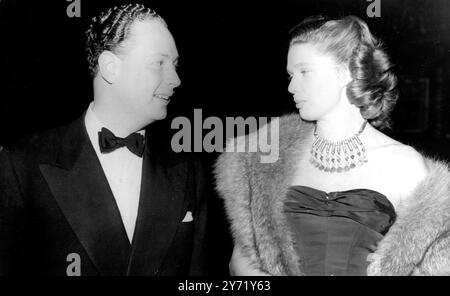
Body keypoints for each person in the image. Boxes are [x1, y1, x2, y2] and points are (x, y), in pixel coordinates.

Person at [215, 15, 450, 276]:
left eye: (305, 72)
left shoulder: (405, 166)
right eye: (291, 75)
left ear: (345, 72)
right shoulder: (267, 159)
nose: (292, 86)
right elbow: (241, 261)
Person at [0, 3, 208, 276]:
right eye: (159, 63)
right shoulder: (20, 164)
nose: (176, 79)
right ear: (110, 67)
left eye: (175, 65)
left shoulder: (187, 168)